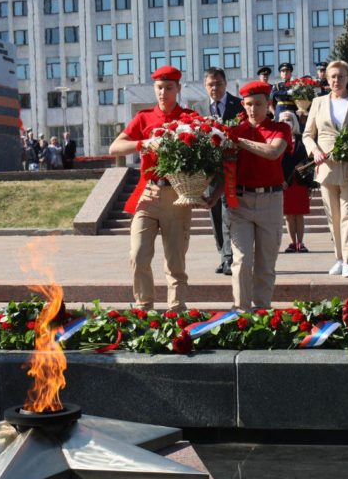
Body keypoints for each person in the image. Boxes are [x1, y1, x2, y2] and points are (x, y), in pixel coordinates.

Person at [108, 65, 194, 312]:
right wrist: (143, 143)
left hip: (177, 195)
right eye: (159, 87)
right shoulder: (144, 118)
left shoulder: (190, 118)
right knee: (138, 254)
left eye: (169, 88)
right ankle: (144, 308)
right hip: (148, 193)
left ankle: (177, 310)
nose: (163, 92)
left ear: (178, 89)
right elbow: (115, 148)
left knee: (175, 262)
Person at [209, 81, 290, 311]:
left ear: (269, 105)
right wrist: (214, 195)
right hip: (241, 203)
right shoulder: (235, 132)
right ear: (243, 105)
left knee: (266, 264)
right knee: (242, 261)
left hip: (271, 202)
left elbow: (273, 152)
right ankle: (242, 311)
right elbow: (226, 170)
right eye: (248, 104)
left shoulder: (280, 129)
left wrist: (239, 142)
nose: (253, 109)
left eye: (258, 104)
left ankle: (262, 310)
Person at [303, 60, 348, 278]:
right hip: (326, 166)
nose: (336, 80)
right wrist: (314, 151)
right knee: (333, 215)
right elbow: (307, 134)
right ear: (327, 78)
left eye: (341, 76)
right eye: (332, 76)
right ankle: (338, 258)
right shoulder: (318, 102)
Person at [199, 67, 246, 276]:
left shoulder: (239, 106)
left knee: (229, 212)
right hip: (210, 170)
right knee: (215, 211)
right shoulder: (199, 108)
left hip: (232, 167)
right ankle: (223, 255)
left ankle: (230, 256)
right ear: (205, 86)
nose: (214, 88)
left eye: (218, 84)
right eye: (210, 84)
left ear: (225, 84)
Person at [279, 111, 311, 253]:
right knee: (289, 215)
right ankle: (292, 243)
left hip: (300, 181)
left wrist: (302, 165)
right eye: (284, 120)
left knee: (299, 214)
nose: (287, 122)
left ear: (295, 122)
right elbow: (275, 161)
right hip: (285, 183)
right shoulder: (278, 139)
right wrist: (281, 180)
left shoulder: (302, 138)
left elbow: (309, 157)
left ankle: (301, 243)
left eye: (290, 119)